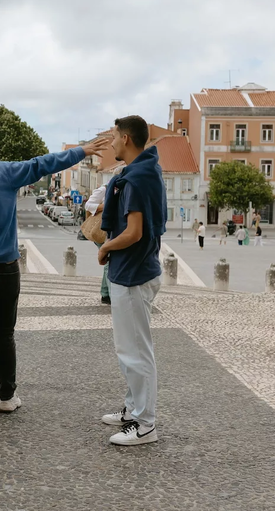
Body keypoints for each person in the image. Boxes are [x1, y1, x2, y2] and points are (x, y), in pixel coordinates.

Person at [0, 129, 110, 417]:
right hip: (6, 270)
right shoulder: (2, 173)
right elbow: (42, 164)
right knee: (5, 334)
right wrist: (82, 151)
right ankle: (7, 397)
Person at [96, 115, 166, 446]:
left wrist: (107, 245)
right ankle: (133, 410)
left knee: (136, 351)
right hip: (133, 271)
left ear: (126, 138)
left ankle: (146, 425)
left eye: (113, 137)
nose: (110, 143)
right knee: (130, 349)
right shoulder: (143, 172)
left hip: (133, 273)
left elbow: (134, 232)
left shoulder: (137, 179)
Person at [84, 184, 110, 304]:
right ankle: (106, 294)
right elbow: (88, 205)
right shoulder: (104, 189)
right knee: (108, 261)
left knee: (109, 261)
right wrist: (105, 206)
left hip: (110, 230)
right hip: (100, 231)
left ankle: (106, 293)